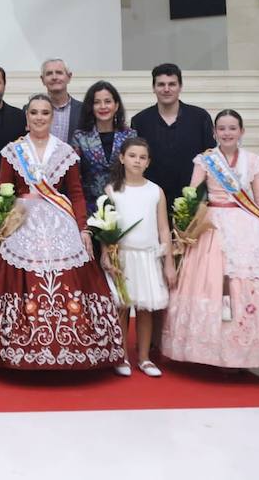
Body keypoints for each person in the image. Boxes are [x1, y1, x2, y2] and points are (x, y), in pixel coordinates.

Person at [0, 94, 126, 371]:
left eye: (45, 113)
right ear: (27, 117)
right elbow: (2, 189)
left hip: (59, 221)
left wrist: (82, 228)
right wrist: (0, 225)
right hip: (21, 219)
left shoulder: (65, 151)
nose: (39, 117)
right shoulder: (13, 151)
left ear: (51, 117)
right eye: (34, 113)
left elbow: (77, 193)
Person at [162, 110, 259, 368]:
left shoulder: (253, 161)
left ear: (242, 131)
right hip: (212, 227)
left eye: (232, 128)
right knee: (214, 285)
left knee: (247, 288)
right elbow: (192, 196)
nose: (227, 133)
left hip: (248, 227)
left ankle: (247, 350)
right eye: (222, 128)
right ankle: (211, 351)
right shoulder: (206, 161)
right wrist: (186, 233)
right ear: (214, 132)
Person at [102, 137, 176, 378]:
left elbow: (164, 229)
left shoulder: (155, 191)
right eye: (132, 155)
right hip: (122, 257)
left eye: (142, 157)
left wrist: (168, 262)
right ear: (122, 158)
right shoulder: (112, 190)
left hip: (147, 257)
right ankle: (121, 355)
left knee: (145, 308)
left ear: (148, 162)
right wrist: (106, 254)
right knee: (122, 307)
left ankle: (143, 358)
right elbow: (106, 225)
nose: (137, 160)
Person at [131, 63, 216, 210]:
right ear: (153, 88)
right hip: (152, 201)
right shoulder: (140, 121)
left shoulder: (200, 117)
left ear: (180, 87)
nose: (166, 89)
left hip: (193, 202)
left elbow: (211, 158)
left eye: (172, 84)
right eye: (161, 84)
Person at [71, 80, 137, 213]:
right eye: (97, 102)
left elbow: (135, 173)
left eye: (108, 101)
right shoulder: (80, 137)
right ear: (91, 107)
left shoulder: (130, 135)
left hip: (124, 206)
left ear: (116, 105)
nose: (103, 106)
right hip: (90, 209)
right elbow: (75, 178)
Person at [40, 58, 83, 143]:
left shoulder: (84, 110)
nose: (54, 77)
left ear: (69, 77)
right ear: (42, 80)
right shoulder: (30, 111)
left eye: (59, 73)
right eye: (49, 74)